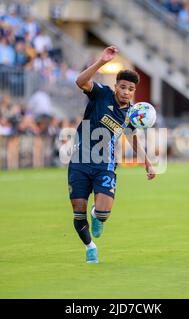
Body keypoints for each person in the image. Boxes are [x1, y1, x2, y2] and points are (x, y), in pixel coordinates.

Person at [69, 46, 156, 263]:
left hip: (104, 165)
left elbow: (133, 139)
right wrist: (101, 62)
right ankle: (90, 247)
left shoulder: (131, 114)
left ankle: (96, 215)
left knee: (103, 213)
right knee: (78, 212)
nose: (126, 92)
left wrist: (147, 163)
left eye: (131, 89)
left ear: (134, 92)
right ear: (116, 86)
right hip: (79, 161)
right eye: (123, 87)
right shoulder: (101, 94)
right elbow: (80, 82)